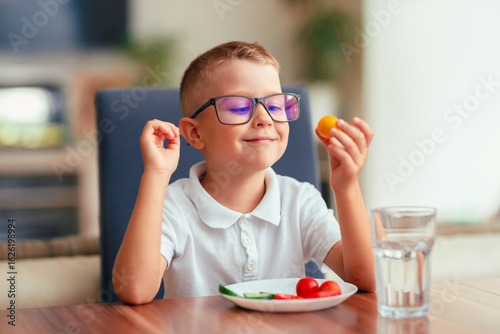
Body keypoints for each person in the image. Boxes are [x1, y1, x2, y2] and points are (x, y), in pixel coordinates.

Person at [113, 41, 375, 305]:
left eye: (275, 105)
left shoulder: (300, 201)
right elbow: (135, 289)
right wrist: (156, 175)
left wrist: (347, 188)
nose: (265, 118)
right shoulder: (174, 206)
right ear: (195, 133)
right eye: (239, 107)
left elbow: (367, 278)